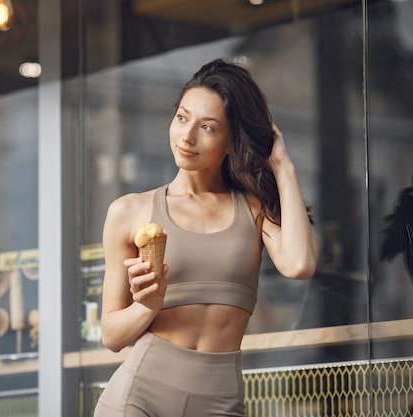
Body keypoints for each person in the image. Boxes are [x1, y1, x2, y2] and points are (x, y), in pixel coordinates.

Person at [93, 58, 318, 417]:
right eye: (182, 117)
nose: (187, 136)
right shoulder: (129, 212)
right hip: (139, 398)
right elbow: (111, 336)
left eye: (208, 127)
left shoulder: (253, 208)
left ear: (232, 142)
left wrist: (282, 166)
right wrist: (146, 307)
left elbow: (300, 264)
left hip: (221, 401)